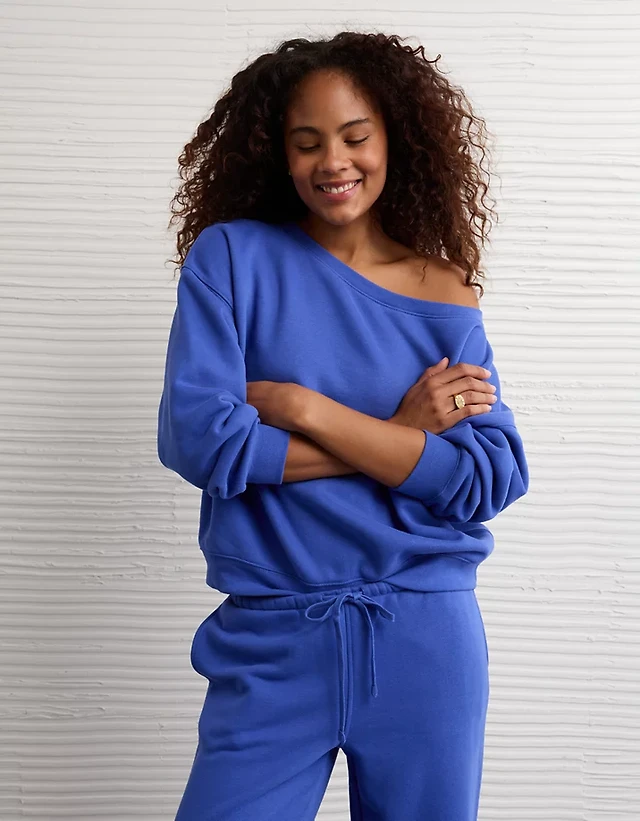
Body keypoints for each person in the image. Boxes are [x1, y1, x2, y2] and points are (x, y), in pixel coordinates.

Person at [157, 30, 529, 821]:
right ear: (277, 152)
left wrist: (305, 408)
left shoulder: (444, 290)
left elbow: (488, 477)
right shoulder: (231, 261)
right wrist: (398, 435)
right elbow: (200, 440)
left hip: (425, 637)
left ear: (395, 138)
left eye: (356, 136)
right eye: (307, 142)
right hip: (271, 638)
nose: (334, 161)